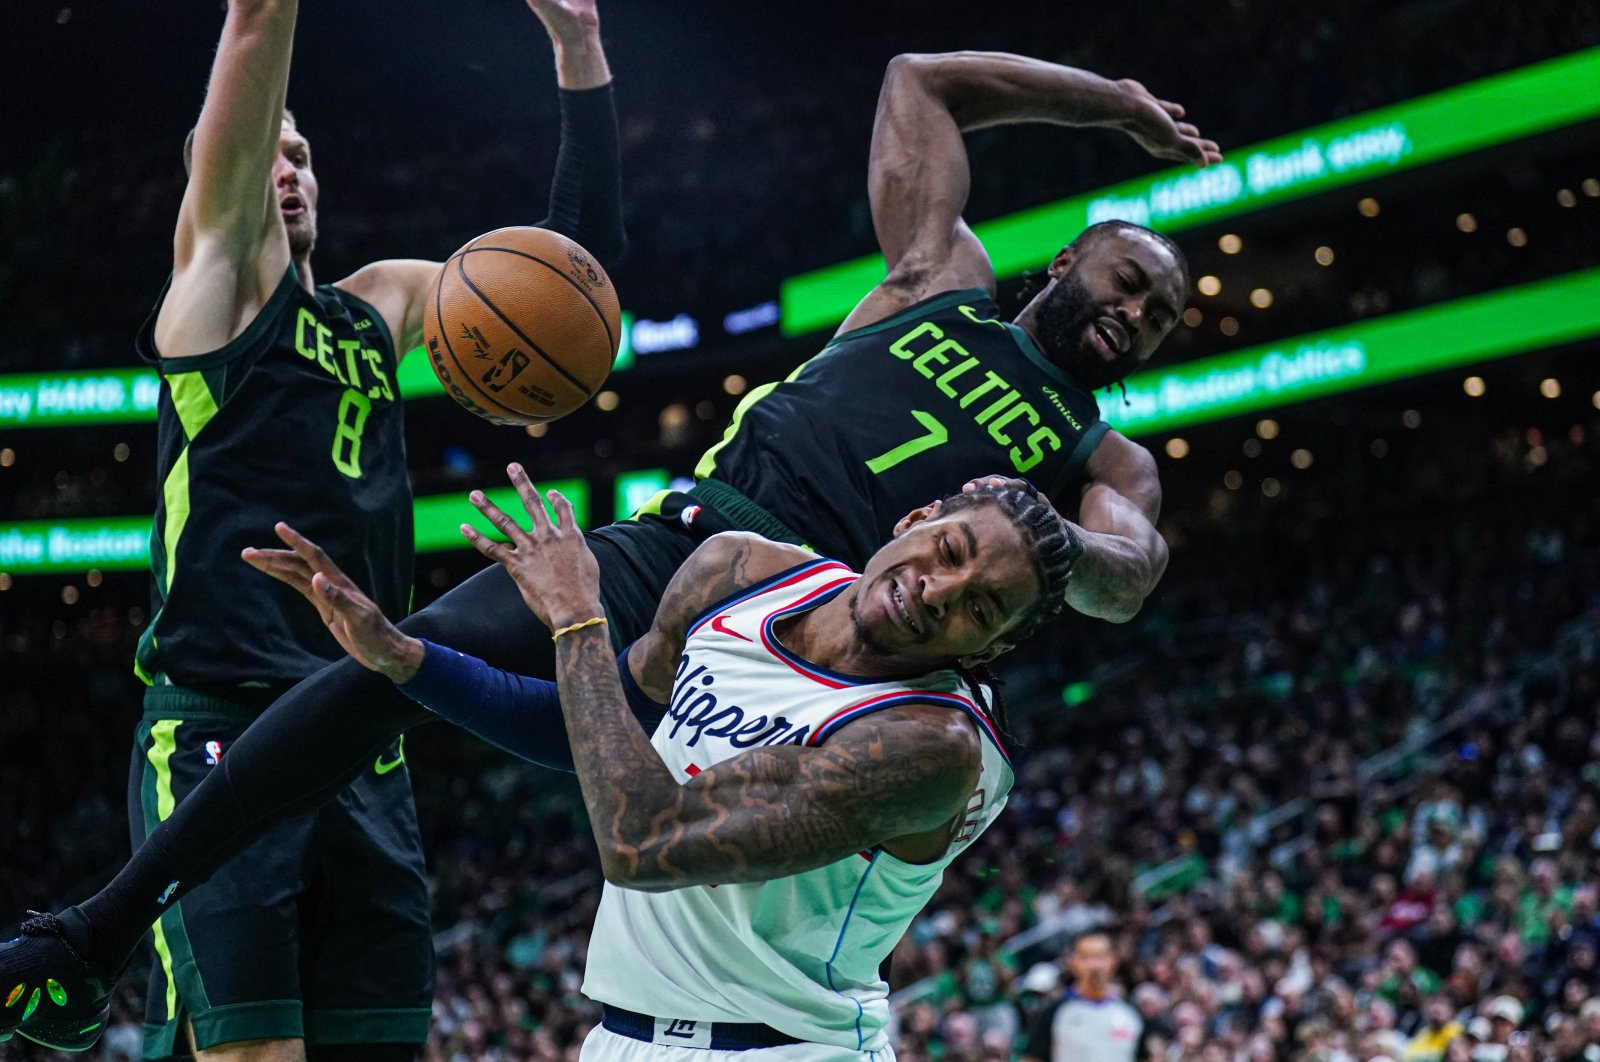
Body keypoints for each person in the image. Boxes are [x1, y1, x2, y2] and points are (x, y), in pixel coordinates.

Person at [0, 48, 1216, 1053]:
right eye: (1125, 282)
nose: (1134, 314)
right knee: (388, 668)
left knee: (687, 860)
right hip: (681, 547)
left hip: (805, 638)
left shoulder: (1103, 460)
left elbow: (1125, 575)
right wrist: (1113, 106)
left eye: (1156, 318)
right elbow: (919, 83)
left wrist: (1041, 534)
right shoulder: (935, 279)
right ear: (1065, 261)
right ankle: (91, 936)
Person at [5, 0, 623, 1056]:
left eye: (301, 153)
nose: (280, 169)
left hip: (362, 742)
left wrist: (579, 54)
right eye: (257, 154)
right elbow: (255, 24)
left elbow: (572, 290)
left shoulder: (377, 304)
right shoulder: (209, 297)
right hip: (218, 733)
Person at [263, 471, 1078, 1056]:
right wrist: (410, 659)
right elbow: (588, 733)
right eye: (950, 548)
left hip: (787, 1049)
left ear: (993, 648)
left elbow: (641, 845)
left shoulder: (928, 747)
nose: (938, 589)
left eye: (978, 606)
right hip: (620, 1037)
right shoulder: (740, 571)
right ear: (917, 517)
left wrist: (578, 618)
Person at [1047, 931, 1143, 1062]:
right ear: (1073, 962)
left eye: (1100, 957)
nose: (1094, 965)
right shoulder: (1055, 1011)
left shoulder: (1130, 1013)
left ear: (1113, 961)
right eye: (1086, 957)